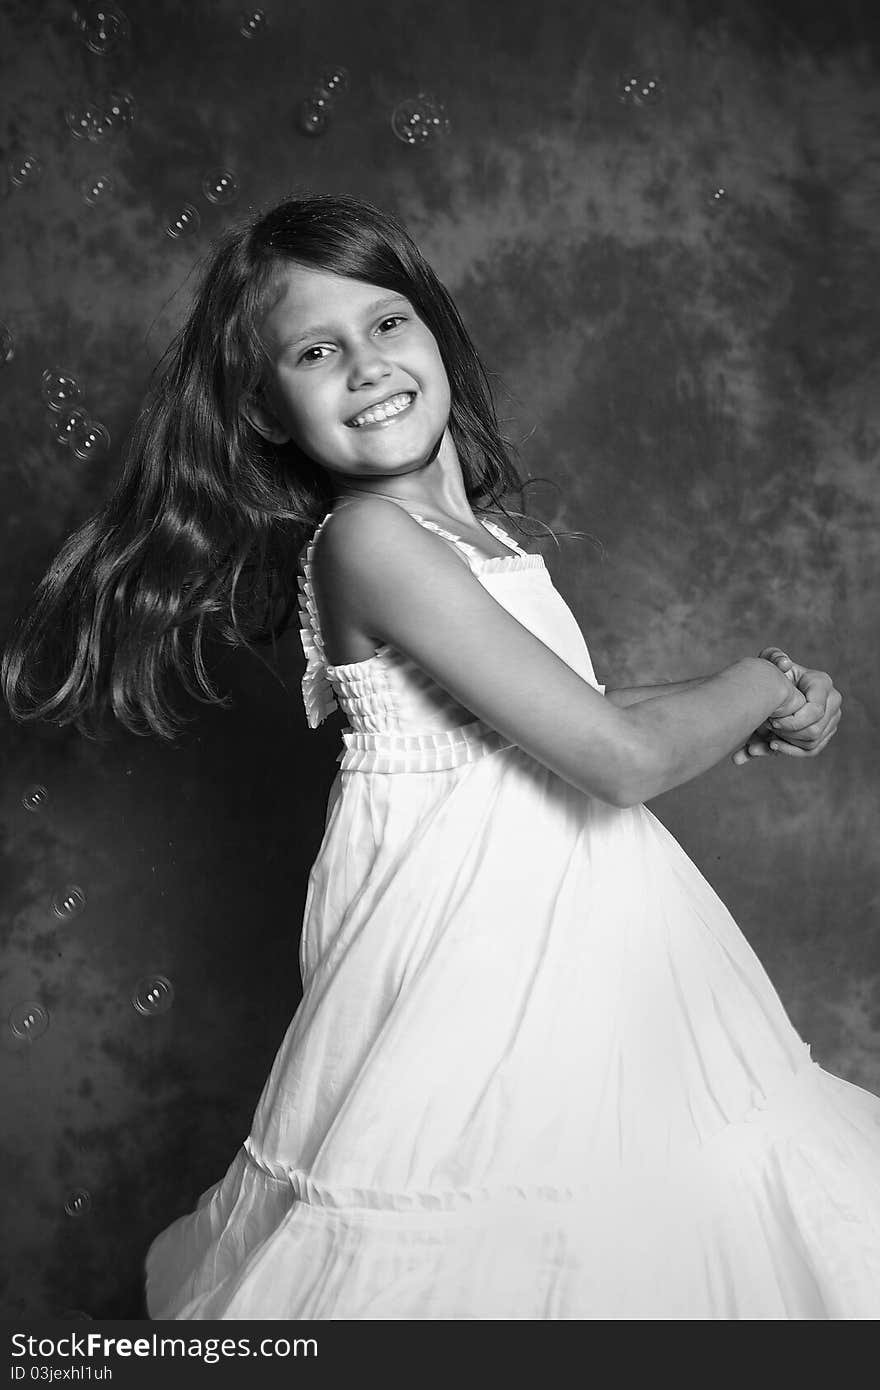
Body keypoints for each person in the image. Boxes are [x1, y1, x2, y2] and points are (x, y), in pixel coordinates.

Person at [3, 192, 877, 1321]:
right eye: (316, 351)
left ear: (435, 335)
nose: (365, 365)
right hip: (481, 977)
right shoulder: (370, 539)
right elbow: (613, 757)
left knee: (627, 1224)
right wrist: (758, 676)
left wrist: (728, 702)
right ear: (265, 412)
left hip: (574, 956)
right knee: (500, 1237)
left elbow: (568, 711)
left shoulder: (477, 539)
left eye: (386, 324)